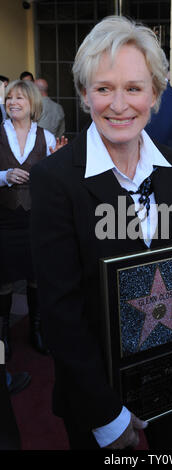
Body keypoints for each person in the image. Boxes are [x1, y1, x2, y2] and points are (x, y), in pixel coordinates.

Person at [30, 16, 172, 450]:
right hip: (99, 396)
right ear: (84, 94)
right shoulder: (55, 181)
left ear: (155, 93)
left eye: (134, 88)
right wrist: (106, 415)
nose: (119, 105)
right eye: (104, 88)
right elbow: (61, 311)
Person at [0, 80, 67, 361]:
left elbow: (57, 182)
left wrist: (58, 161)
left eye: (19, 98)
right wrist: (3, 176)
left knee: (36, 275)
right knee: (2, 278)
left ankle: (37, 330)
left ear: (32, 104)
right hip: (3, 219)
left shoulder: (48, 137)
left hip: (36, 218)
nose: (13, 102)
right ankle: (3, 335)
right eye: (9, 98)